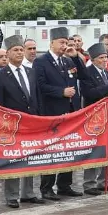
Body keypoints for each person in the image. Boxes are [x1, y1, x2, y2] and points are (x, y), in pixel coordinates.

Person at [0, 35, 44, 207]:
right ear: (7, 53)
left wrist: (39, 118)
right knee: (13, 158)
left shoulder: (31, 72)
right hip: (12, 124)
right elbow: (0, 102)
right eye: (16, 50)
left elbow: (36, 97)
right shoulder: (0, 76)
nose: (20, 53)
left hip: (31, 122)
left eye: (21, 50)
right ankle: (12, 195)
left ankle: (28, 192)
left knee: (30, 156)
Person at [33, 27, 78, 199]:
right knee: (51, 151)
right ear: (51, 42)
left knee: (68, 149)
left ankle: (64, 184)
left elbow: (80, 75)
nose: (64, 46)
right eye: (61, 42)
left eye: (66, 42)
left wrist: (75, 56)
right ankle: (46, 187)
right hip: (51, 112)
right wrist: (61, 92)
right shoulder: (41, 62)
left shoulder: (67, 61)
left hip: (69, 113)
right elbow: (40, 86)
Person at [80, 43, 108, 195]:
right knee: (93, 152)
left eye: (106, 58)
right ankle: (89, 184)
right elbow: (88, 93)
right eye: (101, 58)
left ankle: (104, 181)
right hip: (94, 120)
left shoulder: (105, 73)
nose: (105, 60)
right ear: (93, 59)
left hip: (107, 118)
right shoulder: (87, 73)